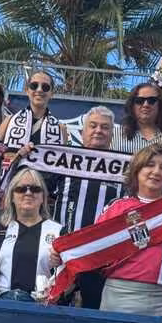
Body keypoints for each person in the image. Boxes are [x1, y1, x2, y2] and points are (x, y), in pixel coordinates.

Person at [78, 142, 162, 323]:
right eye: (150, 165)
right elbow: (93, 247)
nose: (156, 171)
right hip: (120, 294)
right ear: (137, 169)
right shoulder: (118, 207)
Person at [51, 105, 122, 308]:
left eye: (105, 127)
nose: (98, 131)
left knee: (95, 314)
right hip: (63, 254)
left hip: (102, 258)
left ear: (111, 134)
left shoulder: (125, 167)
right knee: (56, 312)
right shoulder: (62, 161)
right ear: (82, 132)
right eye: (93, 126)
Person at [0, 69, 67, 228]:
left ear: (51, 94)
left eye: (45, 87)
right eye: (34, 86)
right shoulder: (10, 121)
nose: (39, 90)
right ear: (27, 90)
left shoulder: (60, 128)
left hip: (39, 198)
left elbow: (61, 167)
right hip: (4, 193)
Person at [0, 168, 63, 301]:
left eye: (35, 189)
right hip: (2, 307)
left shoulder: (59, 233)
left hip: (43, 309)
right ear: (11, 197)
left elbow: (72, 278)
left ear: (43, 197)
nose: (28, 193)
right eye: (21, 189)